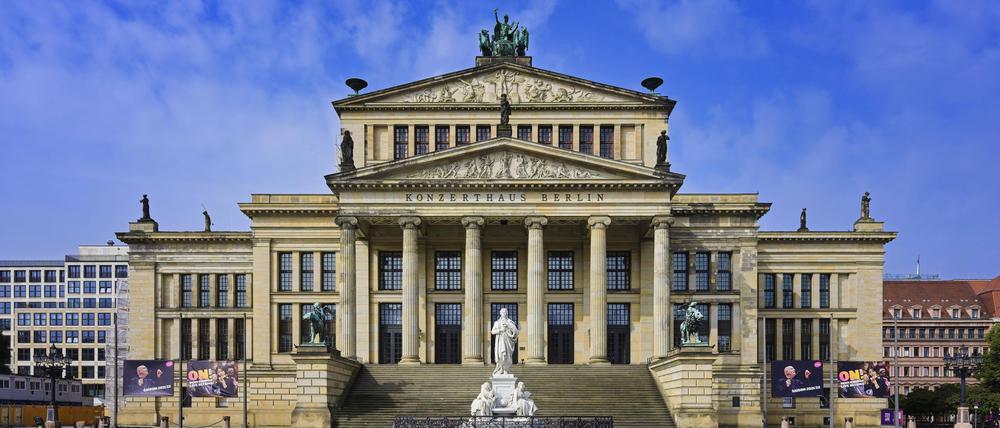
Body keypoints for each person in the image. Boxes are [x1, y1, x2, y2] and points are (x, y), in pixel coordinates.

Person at [491, 308, 518, 375]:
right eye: (503, 312)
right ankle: (500, 369)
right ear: (500, 313)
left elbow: (516, 331)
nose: (504, 313)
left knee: (507, 356)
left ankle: (506, 369)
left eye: (505, 312)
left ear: (507, 313)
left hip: (508, 341)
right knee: (501, 355)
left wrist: (508, 326)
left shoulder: (510, 322)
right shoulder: (497, 323)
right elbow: (492, 332)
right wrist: (500, 330)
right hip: (500, 341)